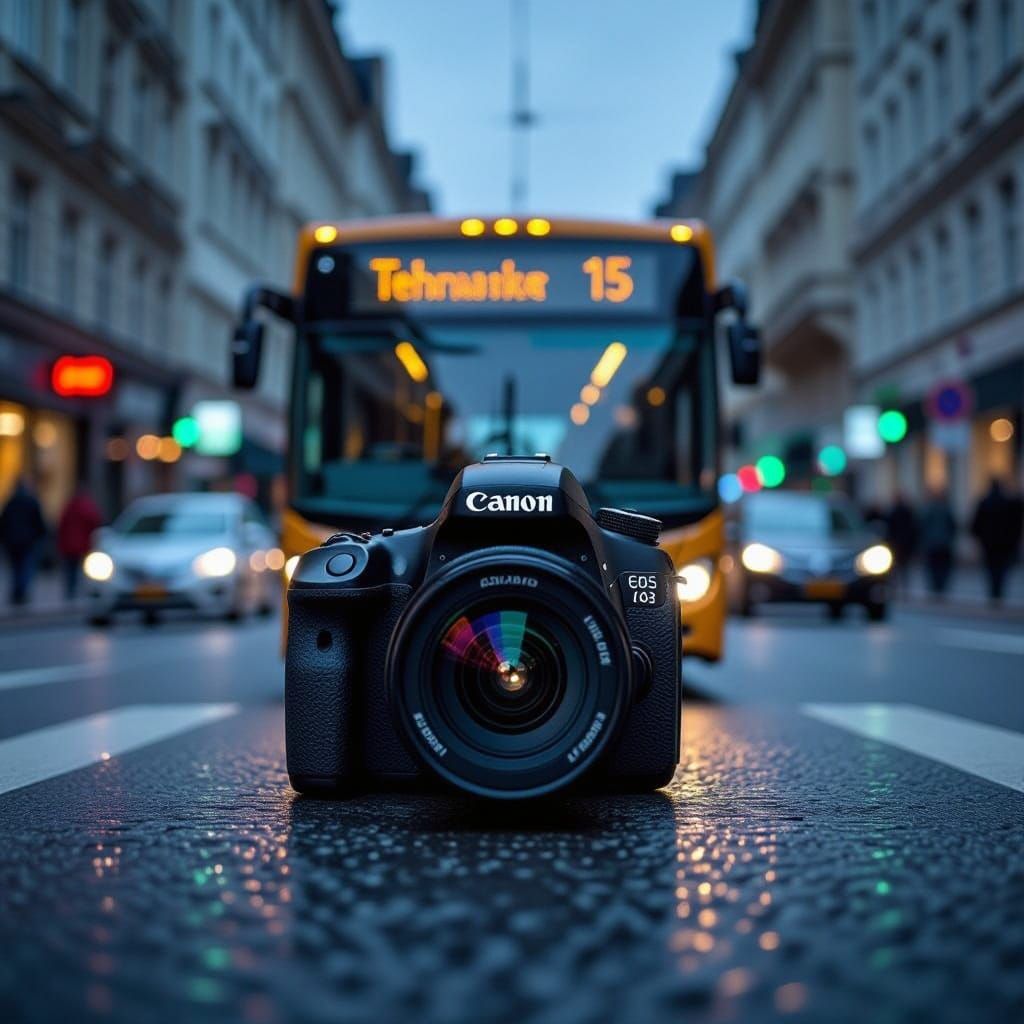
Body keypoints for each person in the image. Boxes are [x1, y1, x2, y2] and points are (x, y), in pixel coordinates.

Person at [970, 478, 1023, 604]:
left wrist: (979, 539)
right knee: (1001, 570)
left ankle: (994, 593)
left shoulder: (984, 502)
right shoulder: (1008, 503)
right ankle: (998, 593)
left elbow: (975, 525)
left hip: (989, 544)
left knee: (991, 569)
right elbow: (1017, 522)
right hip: (1005, 545)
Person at [0, 478, 47, 605]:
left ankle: (17, 592)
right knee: (25, 567)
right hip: (27, 541)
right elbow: (39, 522)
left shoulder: (11, 502)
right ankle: (21, 592)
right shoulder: (31, 501)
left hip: (13, 541)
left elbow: (3, 522)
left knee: (16, 568)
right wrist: (41, 535)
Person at [57, 484, 103, 601]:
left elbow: (61, 525)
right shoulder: (87, 507)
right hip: (82, 545)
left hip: (68, 545)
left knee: (70, 570)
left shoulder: (69, 506)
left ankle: (70, 592)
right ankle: (80, 591)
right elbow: (95, 522)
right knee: (82, 570)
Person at [919, 487, 956, 598]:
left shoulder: (928, 509)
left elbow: (922, 526)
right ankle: (940, 587)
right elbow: (953, 526)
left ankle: (936, 587)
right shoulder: (947, 509)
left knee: (934, 567)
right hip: (943, 544)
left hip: (932, 544)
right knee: (942, 567)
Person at [886, 491, 919, 590]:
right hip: (904, 544)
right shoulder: (908, 511)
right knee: (903, 567)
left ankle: (896, 587)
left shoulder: (893, 512)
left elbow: (890, 529)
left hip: (897, 544)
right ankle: (903, 587)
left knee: (896, 567)